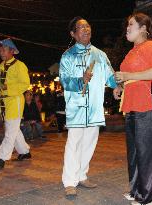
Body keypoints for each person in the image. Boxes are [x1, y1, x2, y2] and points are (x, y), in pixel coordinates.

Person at [59, 16, 119, 199]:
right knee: (73, 144)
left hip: (94, 107)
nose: (86, 29)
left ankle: (82, 175)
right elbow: (64, 80)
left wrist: (116, 86)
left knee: (90, 143)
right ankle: (70, 182)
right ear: (73, 34)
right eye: (81, 27)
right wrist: (80, 80)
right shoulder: (67, 56)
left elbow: (110, 75)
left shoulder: (100, 55)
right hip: (76, 108)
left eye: (88, 26)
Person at [114, 12, 152, 205]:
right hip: (131, 104)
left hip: (146, 103)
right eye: (127, 25)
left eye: (131, 25)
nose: (127, 28)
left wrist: (126, 76)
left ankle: (148, 197)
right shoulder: (131, 51)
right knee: (135, 151)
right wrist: (119, 87)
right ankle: (136, 191)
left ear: (143, 28)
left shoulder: (151, 46)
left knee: (146, 152)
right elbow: (130, 76)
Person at [0, 38, 31, 170]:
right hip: (5, 101)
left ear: (12, 51)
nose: (1, 52)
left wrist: (6, 88)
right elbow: (1, 83)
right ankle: (25, 152)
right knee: (14, 129)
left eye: (3, 50)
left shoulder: (20, 65)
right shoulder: (2, 65)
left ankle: (2, 157)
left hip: (15, 100)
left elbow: (25, 84)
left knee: (10, 130)